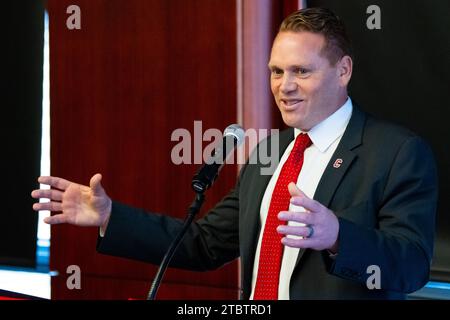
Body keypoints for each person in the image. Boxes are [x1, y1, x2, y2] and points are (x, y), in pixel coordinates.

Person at [31, 7, 438, 299]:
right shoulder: (271, 151)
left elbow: (413, 266)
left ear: (343, 70)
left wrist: (337, 238)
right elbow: (205, 243)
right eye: (277, 71)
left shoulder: (397, 152)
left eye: (301, 71)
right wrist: (110, 216)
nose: (284, 86)